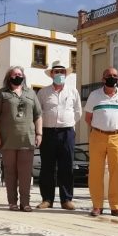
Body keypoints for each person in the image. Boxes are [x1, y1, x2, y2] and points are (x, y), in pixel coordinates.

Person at [0, 66, 43, 212]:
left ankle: (25, 203)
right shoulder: (2, 94)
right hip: (8, 140)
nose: (17, 76)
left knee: (25, 173)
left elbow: (38, 115)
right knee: (10, 172)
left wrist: (39, 134)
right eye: (14, 74)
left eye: (20, 74)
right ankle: (12, 202)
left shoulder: (31, 93)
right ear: (9, 77)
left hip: (27, 139)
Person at [84, 67, 118, 217]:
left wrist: (114, 128)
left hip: (117, 136)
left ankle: (116, 206)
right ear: (103, 79)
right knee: (95, 172)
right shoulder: (94, 95)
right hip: (97, 135)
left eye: (115, 75)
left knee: (117, 172)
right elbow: (88, 118)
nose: (113, 77)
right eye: (109, 75)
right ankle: (97, 206)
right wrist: (101, 128)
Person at [36, 60, 82, 211]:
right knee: (47, 167)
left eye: (62, 72)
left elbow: (78, 112)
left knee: (67, 166)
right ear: (51, 74)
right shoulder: (43, 92)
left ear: (65, 74)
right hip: (48, 132)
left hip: (67, 132)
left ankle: (66, 199)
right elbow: (38, 113)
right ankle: (47, 199)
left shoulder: (73, 91)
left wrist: (67, 123)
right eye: (57, 72)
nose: (60, 74)